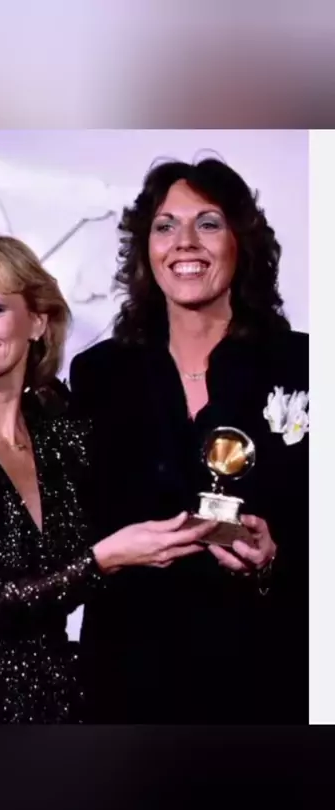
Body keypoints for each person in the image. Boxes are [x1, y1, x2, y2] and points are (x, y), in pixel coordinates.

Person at [0, 232, 216, 724]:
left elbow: (144, 500)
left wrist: (232, 536)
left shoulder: (61, 431)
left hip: (65, 698)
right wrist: (100, 562)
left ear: (37, 321)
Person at [69, 157, 309, 724]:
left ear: (241, 241)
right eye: (165, 225)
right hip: (132, 677)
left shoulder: (303, 364)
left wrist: (276, 556)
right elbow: (78, 526)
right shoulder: (98, 374)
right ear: (146, 250)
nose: (185, 242)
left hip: (266, 671)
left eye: (208, 223)